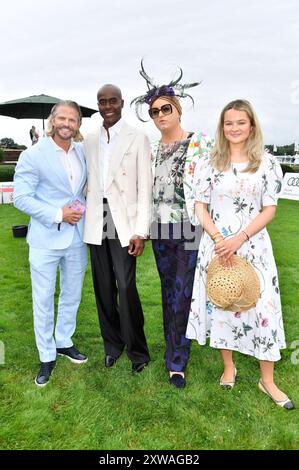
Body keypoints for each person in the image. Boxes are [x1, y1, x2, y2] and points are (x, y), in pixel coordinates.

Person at [186, 99, 294, 409]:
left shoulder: (267, 163)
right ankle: (229, 367)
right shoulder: (209, 162)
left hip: (253, 246)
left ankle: (268, 380)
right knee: (224, 301)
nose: (234, 128)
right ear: (222, 127)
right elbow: (199, 207)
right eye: (228, 122)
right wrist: (221, 238)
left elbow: (270, 209)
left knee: (263, 310)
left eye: (240, 122)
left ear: (252, 126)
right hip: (217, 246)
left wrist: (240, 238)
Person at [131, 61, 212, 388]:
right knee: (170, 294)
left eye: (166, 109)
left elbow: (211, 185)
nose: (160, 115)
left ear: (178, 111)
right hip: (161, 232)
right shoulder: (152, 150)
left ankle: (176, 361)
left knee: (183, 295)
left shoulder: (199, 143)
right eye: (154, 112)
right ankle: (176, 348)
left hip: (190, 230)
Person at [14, 101, 88, 387]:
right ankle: (46, 355)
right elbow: (21, 197)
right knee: (43, 299)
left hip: (77, 237)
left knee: (72, 294)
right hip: (45, 238)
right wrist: (58, 214)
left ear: (78, 124)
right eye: (62, 118)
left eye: (72, 119)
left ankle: (63, 340)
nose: (67, 123)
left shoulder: (82, 152)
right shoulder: (33, 155)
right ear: (52, 121)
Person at [84, 84, 151, 374]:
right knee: (102, 287)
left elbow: (145, 187)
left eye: (112, 101)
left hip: (124, 219)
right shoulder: (88, 139)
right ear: (97, 105)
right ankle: (112, 346)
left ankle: (138, 350)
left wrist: (141, 231)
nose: (107, 106)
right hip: (96, 217)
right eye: (102, 102)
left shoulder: (138, 137)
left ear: (121, 103)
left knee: (125, 285)